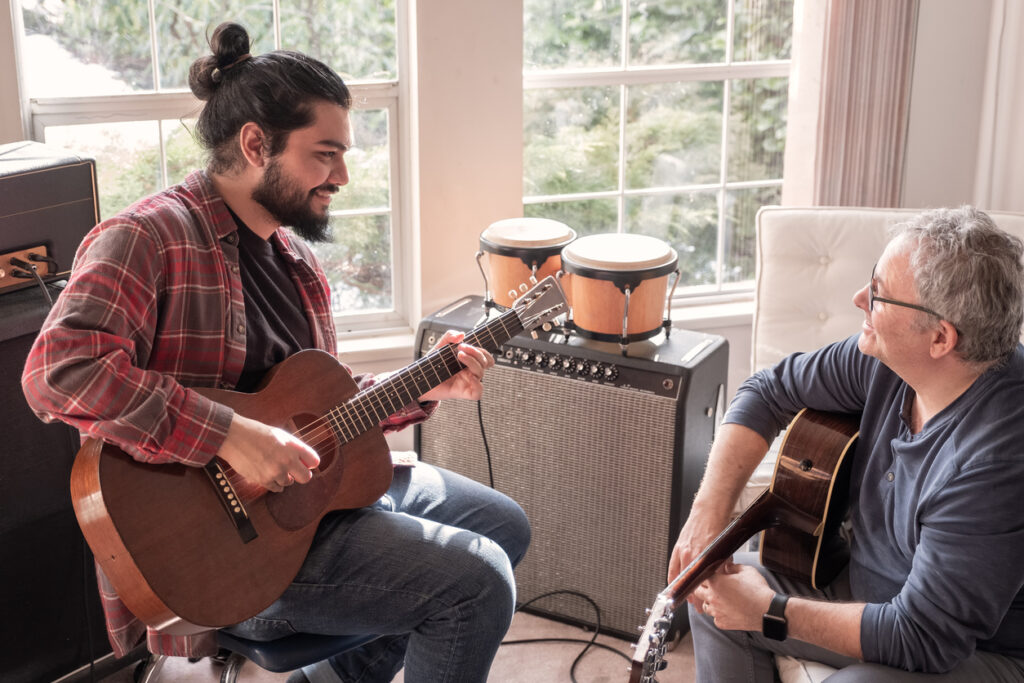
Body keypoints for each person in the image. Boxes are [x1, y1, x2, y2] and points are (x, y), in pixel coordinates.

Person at [21, 22, 530, 683]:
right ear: (256, 143)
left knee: (504, 524)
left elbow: (317, 405)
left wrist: (426, 386)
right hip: (226, 553)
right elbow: (58, 373)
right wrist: (228, 434)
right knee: (476, 579)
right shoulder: (148, 237)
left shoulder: (297, 260)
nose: (343, 175)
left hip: (316, 509)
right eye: (325, 153)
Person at [669, 206, 1024, 681]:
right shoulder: (887, 359)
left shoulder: (995, 462)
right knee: (714, 592)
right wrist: (707, 514)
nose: (859, 298)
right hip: (864, 589)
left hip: (977, 650)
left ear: (941, 338)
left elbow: (924, 635)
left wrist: (770, 610)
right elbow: (766, 391)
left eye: (878, 294)